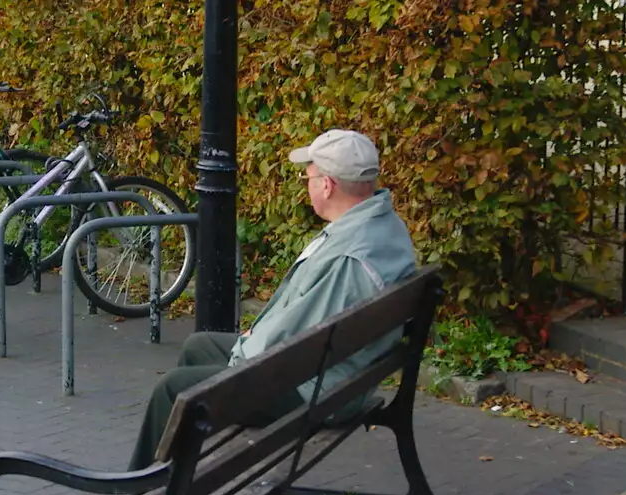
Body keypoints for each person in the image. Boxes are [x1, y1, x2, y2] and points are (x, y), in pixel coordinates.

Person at [128, 129, 418, 470]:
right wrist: (255, 341)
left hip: (316, 390)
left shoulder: (348, 257)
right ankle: (180, 469)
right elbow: (312, 325)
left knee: (175, 389)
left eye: (307, 177)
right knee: (199, 345)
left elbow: (300, 335)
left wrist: (247, 352)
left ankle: (142, 487)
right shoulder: (381, 224)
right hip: (333, 372)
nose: (306, 184)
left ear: (327, 185)